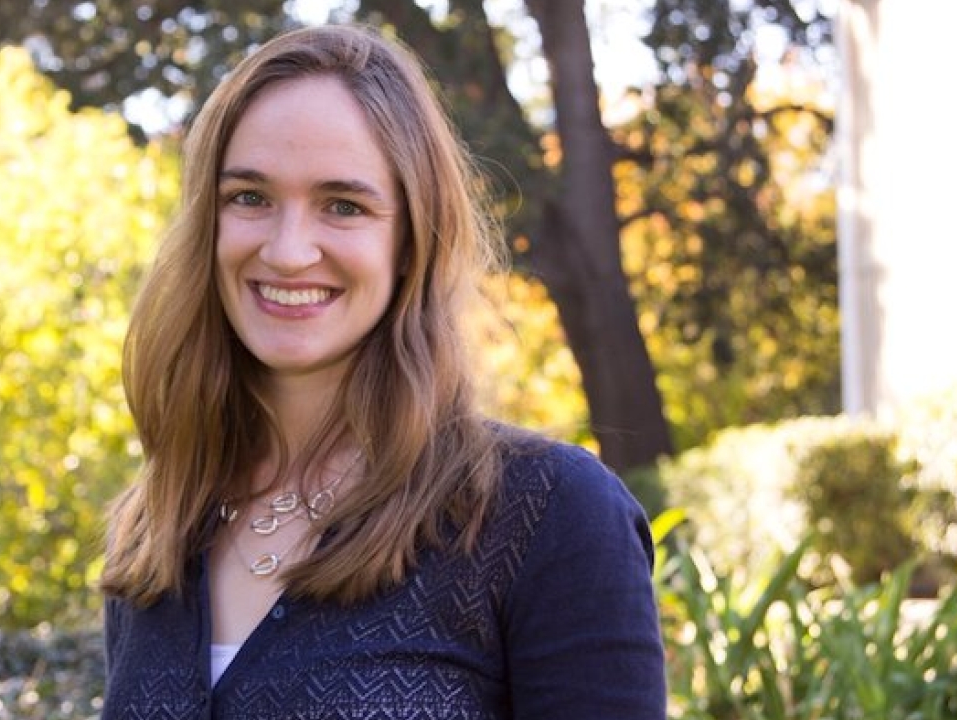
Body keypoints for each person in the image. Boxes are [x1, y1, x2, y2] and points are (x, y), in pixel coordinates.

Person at [100, 23, 666, 719]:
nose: (287, 250)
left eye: (343, 205)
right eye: (249, 197)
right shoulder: (158, 529)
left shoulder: (544, 515)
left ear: (410, 241)